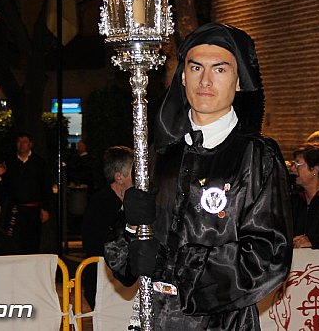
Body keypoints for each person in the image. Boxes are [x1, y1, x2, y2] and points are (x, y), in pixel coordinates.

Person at [105, 22, 293, 330]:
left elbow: (267, 257)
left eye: (219, 70)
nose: (205, 81)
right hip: (153, 316)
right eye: (196, 68)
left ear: (238, 81)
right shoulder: (160, 154)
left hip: (221, 321)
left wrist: (171, 264)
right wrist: (129, 224)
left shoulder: (256, 156)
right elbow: (123, 263)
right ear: (183, 76)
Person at [81, 146, 134, 309]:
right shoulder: (100, 205)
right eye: (134, 171)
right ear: (119, 177)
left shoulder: (135, 202)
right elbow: (94, 245)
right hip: (104, 283)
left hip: (124, 282)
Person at [0, 132, 52, 254]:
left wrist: (45, 208)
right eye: (19, 142)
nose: (21, 145)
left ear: (30, 144)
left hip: (33, 210)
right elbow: (3, 186)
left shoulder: (39, 163)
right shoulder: (9, 161)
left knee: (32, 241)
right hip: (14, 209)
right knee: (13, 241)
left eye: (24, 142)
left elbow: (46, 186)